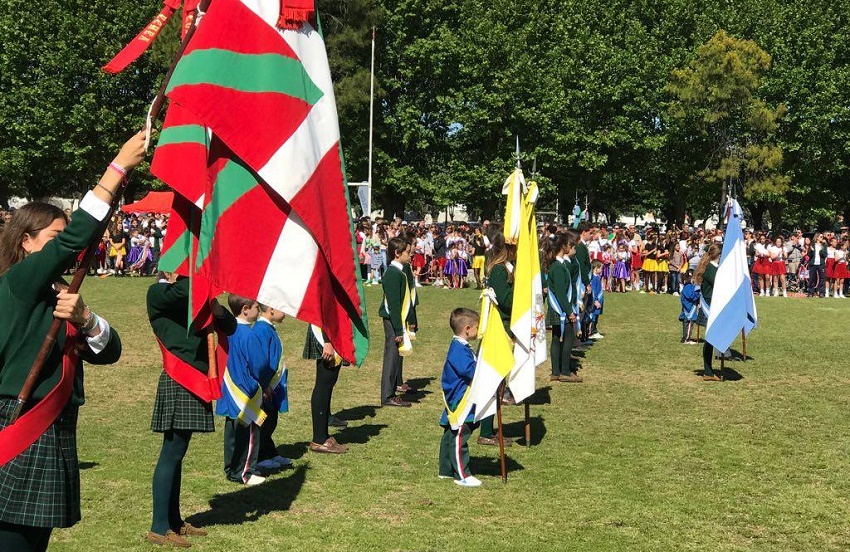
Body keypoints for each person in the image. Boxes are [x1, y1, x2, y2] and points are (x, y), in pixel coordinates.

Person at [0, 132, 144, 552]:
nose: (65, 252)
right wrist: (117, 169)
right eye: (52, 240)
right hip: (22, 420)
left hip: (53, 427)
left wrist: (85, 318)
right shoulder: (21, 282)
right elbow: (74, 240)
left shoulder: (57, 293)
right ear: (26, 243)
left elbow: (110, 351)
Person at [147, 272, 237, 547]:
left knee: (178, 453)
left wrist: (217, 307)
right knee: (171, 452)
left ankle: (173, 520)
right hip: (179, 378)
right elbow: (187, 289)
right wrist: (197, 267)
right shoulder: (158, 293)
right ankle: (159, 526)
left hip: (193, 380)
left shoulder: (191, 295)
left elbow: (230, 325)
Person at [215, 295, 269, 486]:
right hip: (246, 391)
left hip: (229, 389)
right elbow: (259, 364)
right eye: (256, 306)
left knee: (232, 432)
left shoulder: (228, 330)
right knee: (251, 433)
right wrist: (266, 383)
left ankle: (231, 468)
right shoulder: (249, 334)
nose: (258, 310)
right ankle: (246, 472)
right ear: (245, 309)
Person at [438, 308, 483, 487]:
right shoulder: (458, 348)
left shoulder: (461, 346)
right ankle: (461, 474)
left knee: (451, 433)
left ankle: (446, 470)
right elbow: (469, 371)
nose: (479, 331)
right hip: (460, 399)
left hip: (458, 397)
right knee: (459, 435)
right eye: (477, 327)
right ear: (467, 329)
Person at [253, 303, 292, 472]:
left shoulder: (268, 328)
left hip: (273, 387)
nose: (286, 313)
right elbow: (260, 361)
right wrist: (264, 385)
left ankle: (270, 452)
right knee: (264, 422)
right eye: (283, 309)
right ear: (271, 310)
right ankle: (260, 456)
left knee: (271, 420)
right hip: (267, 387)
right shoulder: (261, 330)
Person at [304, 326, 349, 454]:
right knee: (323, 385)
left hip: (331, 332)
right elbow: (325, 311)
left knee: (327, 385)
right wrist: (327, 341)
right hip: (325, 334)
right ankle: (319, 439)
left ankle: (323, 436)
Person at [379, 238, 412, 407]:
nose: (410, 254)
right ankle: (387, 395)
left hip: (396, 321)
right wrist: (398, 330)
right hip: (393, 322)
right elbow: (393, 304)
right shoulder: (392, 273)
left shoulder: (400, 272)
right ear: (397, 253)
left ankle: (391, 392)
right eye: (407, 252)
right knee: (391, 357)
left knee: (395, 357)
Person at [546, 233, 581, 383]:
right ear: (564, 247)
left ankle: (556, 371)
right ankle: (565, 371)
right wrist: (569, 311)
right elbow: (560, 292)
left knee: (555, 338)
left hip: (557, 309)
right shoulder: (559, 267)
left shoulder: (556, 265)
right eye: (570, 245)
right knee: (567, 338)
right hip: (560, 309)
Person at [694, 243, 722, 381]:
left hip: (712, 304)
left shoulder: (713, 267)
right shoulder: (711, 269)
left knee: (711, 339)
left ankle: (708, 370)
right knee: (710, 339)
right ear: (719, 255)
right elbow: (719, 284)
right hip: (709, 306)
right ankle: (708, 371)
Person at [678, 272, 700, 344]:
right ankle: (686, 339)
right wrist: (698, 293)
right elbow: (691, 296)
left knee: (690, 324)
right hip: (689, 309)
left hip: (690, 308)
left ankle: (688, 337)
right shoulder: (688, 287)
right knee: (688, 324)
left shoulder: (690, 286)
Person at [588, 261, 605, 339]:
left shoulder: (597, 277)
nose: (601, 270)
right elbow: (593, 290)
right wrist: (595, 300)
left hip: (599, 300)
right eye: (600, 268)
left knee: (597, 316)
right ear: (596, 269)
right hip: (596, 302)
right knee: (593, 316)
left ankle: (594, 330)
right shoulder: (594, 278)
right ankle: (592, 331)